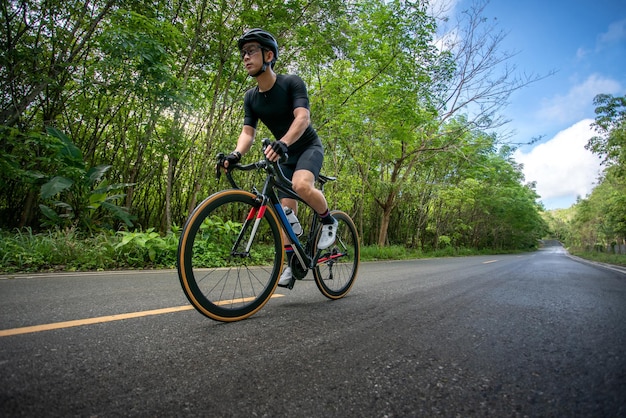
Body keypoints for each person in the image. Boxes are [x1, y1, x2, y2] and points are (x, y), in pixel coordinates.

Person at [221, 28, 337, 287]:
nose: (245, 58)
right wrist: (236, 154)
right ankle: (291, 264)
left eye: (251, 51)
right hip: (283, 152)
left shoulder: (291, 83)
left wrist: (284, 142)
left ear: (269, 54)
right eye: (243, 53)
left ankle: (328, 220)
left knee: (301, 186)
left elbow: (302, 118)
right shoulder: (251, 98)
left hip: (306, 147)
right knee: (284, 210)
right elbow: (247, 133)